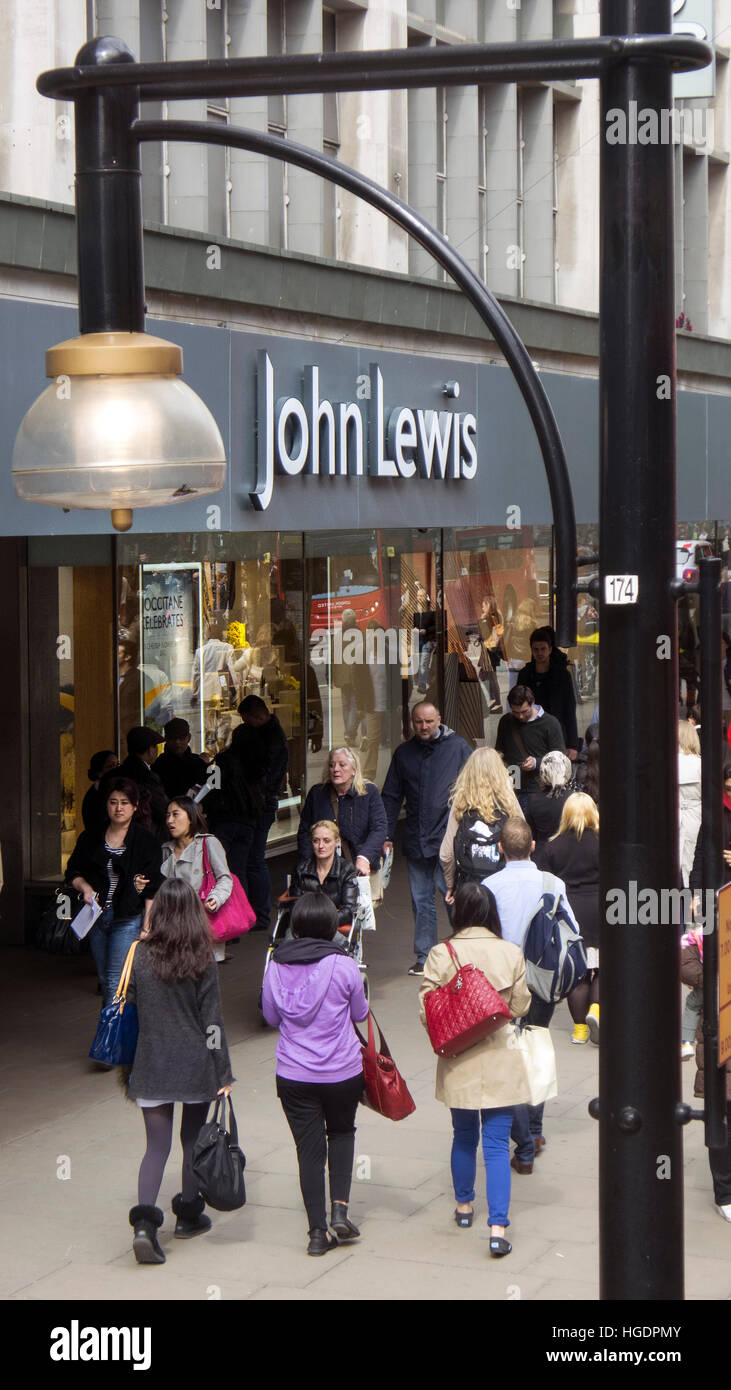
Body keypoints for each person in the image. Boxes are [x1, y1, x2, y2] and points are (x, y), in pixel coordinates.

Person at [418, 882, 531, 1257]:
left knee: (463, 1136)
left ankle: (464, 1206)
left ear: (460, 912)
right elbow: (520, 1006)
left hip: (458, 1059)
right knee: (498, 1146)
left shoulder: (440, 953)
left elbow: (426, 1012)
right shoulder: (510, 952)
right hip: (500, 1056)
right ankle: (498, 1227)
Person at [125, 879, 234, 1264]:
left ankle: (144, 1227)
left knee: (156, 1147)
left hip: (151, 1060)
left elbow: (131, 1006)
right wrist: (223, 1072)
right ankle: (188, 1214)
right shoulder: (202, 957)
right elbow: (212, 1023)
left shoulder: (139, 955)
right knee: (191, 1142)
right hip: (194, 1064)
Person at [261, 893, 368, 1256]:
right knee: (341, 1134)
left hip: (293, 1073)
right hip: (342, 1072)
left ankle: (317, 1234)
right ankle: (340, 1209)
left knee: (308, 1150)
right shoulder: (344, 965)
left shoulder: (275, 964)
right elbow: (360, 1013)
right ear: (328, 926)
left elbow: (271, 1018)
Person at [485, 816, 580, 1171]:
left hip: (502, 984)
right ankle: (535, 1129)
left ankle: (521, 1136)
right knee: (536, 1050)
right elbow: (572, 929)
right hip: (541, 981)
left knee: (508, 1057)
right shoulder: (552, 883)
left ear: (499, 849)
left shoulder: (490, 885)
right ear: (533, 847)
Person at [381, 701, 471, 976]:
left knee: (452, 898)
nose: (424, 726)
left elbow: (475, 786)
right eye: (419, 722)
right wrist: (384, 835)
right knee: (421, 901)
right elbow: (392, 796)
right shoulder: (403, 753)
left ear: (439, 720)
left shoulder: (458, 748)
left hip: (449, 841)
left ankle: (465, 955)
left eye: (429, 721)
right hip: (416, 838)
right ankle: (425, 957)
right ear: (411, 722)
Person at [66, 777, 163, 1009]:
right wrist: (86, 888)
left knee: (113, 981)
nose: (118, 808)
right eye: (113, 802)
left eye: (125, 802)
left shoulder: (145, 841)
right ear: (106, 805)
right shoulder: (91, 837)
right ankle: (117, 1033)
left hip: (127, 917)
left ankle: (108, 1041)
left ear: (135, 806)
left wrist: (146, 926)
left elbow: (152, 888)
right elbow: (72, 871)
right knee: (104, 979)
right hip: (96, 917)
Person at [537, 793, 600, 1046]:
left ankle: (580, 1030)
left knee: (579, 974)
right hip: (601, 909)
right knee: (602, 968)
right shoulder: (603, 842)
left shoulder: (553, 846)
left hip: (569, 913)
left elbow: (545, 883)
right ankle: (596, 1009)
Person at [681, 927, 731, 1222]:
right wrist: (712, 981)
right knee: (723, 1120)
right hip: (719, 1043)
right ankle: (725, 1193)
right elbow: (685, 963)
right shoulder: (710, 923)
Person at [231, 695, 289, 932]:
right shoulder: (271, 734)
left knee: (253, 859)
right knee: (254, 859)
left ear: (256, 716)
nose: (244, 723)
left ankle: (259, 914)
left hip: (260, 804)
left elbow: (266, 774)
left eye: (246, 719)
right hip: (262, 803)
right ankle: (258, 913)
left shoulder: (269, 738)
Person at [439, 746, 523, 898]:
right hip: (503, 885)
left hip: (470, 886)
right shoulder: (508, 801)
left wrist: (451, 885)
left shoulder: (461, 802)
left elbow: (446, 854)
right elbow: (522, 842)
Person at [162, 796, 233, 965]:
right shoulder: (166, 849)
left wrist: (215, 899)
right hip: (173, 925)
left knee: (201, 978)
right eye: (167, 815)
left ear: (190, 817)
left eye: (175, 814)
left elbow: (225, 878)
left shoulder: (208, 843)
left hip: (203, 922)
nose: (170, 820)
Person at [298, 746, 387, 880]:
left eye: (342, 765)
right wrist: (308, 862)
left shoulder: (369, 792)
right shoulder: (317, 794)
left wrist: (364, 857)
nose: (336, 769)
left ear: (354, 769)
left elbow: (379, 828)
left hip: (360, 869)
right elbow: (305, 831)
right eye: (332, 765)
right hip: (324, 872)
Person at [494, 685, 566, 807]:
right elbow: (499, 751)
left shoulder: (550, 723)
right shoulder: (506, 721)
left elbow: (559, 758)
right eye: (515, 712)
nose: (520, 716)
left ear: (532, 703)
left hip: (538, 790)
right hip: (511, 789)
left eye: (524, 711)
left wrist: (536, 763)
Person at [516, 626, 579, 760]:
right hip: (531, 733)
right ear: (531, 650)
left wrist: (572, 744)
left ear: (550, 649)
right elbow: (517, 705)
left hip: (556, 732)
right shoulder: (525, 674)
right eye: (536, 649)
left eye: (543, 649)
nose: (540, 653)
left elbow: (569, 709)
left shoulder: (562, 676)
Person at [290, 820, 359, 928]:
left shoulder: (346, 869)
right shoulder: (301, 869)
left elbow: (348, 910)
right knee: (290, 942)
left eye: (326, 841)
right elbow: (295, 906)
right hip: (306, 926)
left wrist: (323, 923)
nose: (321, 846)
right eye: (316, 841)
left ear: (337, 842)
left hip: (333, 926)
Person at [523, 750, 577, 856]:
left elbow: (531, 833)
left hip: (542, 855)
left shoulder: (533, 800)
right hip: (568, 855)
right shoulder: (574, 798)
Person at [119, 727, 169, 838]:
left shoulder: (117, 772)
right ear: (150, 750)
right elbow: (160, 808)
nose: (156, 751)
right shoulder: (146, 776)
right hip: (145, 835)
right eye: (155, 746)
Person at [153, 719, 208, 801]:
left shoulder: (198, 763)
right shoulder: (159, 764)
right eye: (172, 738)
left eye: (181, 738)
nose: (177, 742)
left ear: (188, 738)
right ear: (166, 739)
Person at [678, 719, 702, 889]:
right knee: (693, 860)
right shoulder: (701, 763)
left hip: (674, 816)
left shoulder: (666, 764)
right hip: (696, 815)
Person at [81, 749, 119, 838]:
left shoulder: (113, 790)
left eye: (117, 765)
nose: (116, 769)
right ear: (99, 772)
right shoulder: (95, 795)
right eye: (111, 766)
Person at [477, 594, 504, 713]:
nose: (482, 608)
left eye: (483, 606)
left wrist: (482, 620)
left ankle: (497, 703)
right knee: (485, 675)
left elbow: (487, 634)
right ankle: (493, 700)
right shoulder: (493, 616)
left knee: (491, 677)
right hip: (488, 650)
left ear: (488, 605)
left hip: (491, 651)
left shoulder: (492, 617)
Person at [413, 584, 437, 693]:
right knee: (419, 663)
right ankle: (426, 682)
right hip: (416, 639)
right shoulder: (414, 609)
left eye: (421, 596)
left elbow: (436, 625)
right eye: (418, 596)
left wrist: (426, 630)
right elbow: (410, 622)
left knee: (423, 663)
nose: (419, 598)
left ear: (425, 597)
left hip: (427, 639)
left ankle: (421, 686)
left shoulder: (431, 609)